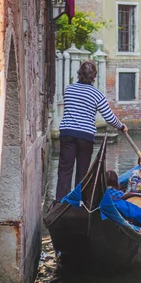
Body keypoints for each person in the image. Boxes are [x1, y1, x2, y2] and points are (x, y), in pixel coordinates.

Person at [55, 60, 128, 203]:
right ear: (94, 76)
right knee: (82, 172)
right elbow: (109, 117)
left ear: (79, 74)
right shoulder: (97, 94)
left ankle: (60, 202)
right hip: (85, 136)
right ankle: (76, 203)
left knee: (65, 170)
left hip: (67, 133)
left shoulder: (69, 89)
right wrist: (121, 126)